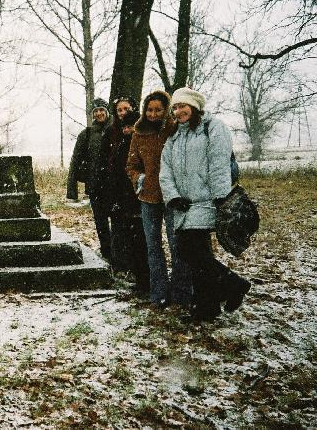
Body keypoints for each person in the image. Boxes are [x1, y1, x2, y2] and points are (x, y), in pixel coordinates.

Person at [159, 87, 251, 321]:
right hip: (183, 205)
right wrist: (173, 196)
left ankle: (233, 285)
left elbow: (219, 165)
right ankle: (209, 304)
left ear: (194, 106)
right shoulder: (174, 135)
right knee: (193, 254)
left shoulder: (213, 128)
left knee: (192, 253)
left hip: (206, 201)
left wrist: (220, 198)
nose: (178, 111)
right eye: (175, 108)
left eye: (183, 106)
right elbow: (165, 170)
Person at [126, 90, 187, 306]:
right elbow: (131, 165)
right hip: (148, 198)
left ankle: (180, 293)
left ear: (166, 110)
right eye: (149, 110)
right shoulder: (138, 133)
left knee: (176, 245)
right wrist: (139, 178)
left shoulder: (175, 130)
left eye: (158, 110)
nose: (153, 114)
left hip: (173, 197)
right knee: (153, 246)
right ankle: (159, 292)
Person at [100, 96, 149, 290]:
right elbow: (112, 171)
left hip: (138, 198)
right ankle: (133, 273)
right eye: (125, 127)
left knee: (141, 241)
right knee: (127, 238)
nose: (128, 130)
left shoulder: (141, 143)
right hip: (123, 198)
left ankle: (143, 278)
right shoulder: (116, 141)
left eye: (131, 126)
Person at [66, 97, 112, 260]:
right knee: (101, 223)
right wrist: (72, 191)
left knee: (119, 224)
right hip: (95, 187)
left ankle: (120, 257)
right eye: (96, 111)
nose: (99, 113)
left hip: (115, 187)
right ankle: (107, 254)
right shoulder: (85, 135)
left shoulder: (116, 131)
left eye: (102, 110)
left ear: (107, 112)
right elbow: (75, 161)